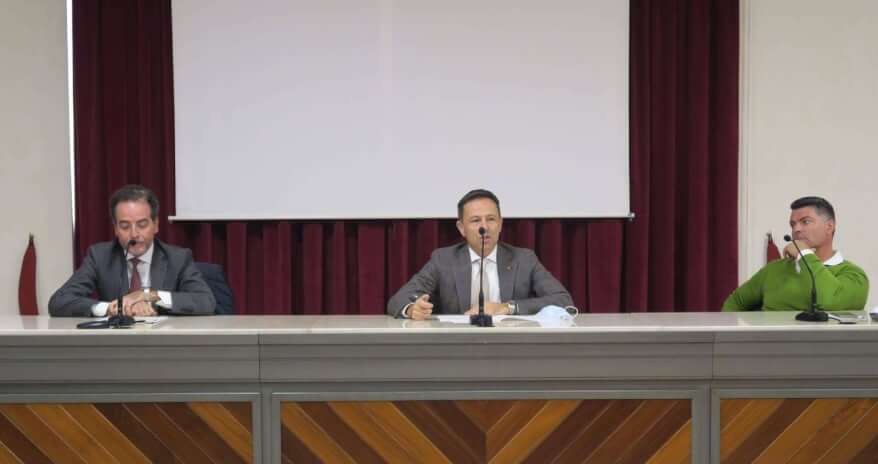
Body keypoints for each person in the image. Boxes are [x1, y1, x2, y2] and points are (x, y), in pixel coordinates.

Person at [387, 189, 574, 319]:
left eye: (491, 219)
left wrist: (507, 307)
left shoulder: (524, 259)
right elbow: (398, 300)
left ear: (500, 224)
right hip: (458, 348)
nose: (484, 227)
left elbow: (563, 300)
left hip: (512, 346)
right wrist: (412, 309)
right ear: (461, 228)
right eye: (475, 220)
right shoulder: (443, 260)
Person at [49, 185, 216, 317]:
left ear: (156, 225)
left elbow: (206, 301)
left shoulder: (177, 258)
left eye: (142, 225)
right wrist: (111, 308)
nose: (134, 234)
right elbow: (59, 301)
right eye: (125, 226)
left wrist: (148, 295)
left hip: (164, 343)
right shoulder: (100, 257)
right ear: (115, 228)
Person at [722, 196, 868, 311]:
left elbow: (828, 300)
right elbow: (735, 302)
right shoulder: (774, 269)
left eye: (805, 222)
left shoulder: (854, 275)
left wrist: (804, 253)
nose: (796, 229)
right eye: (793, 224)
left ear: (829, 227)